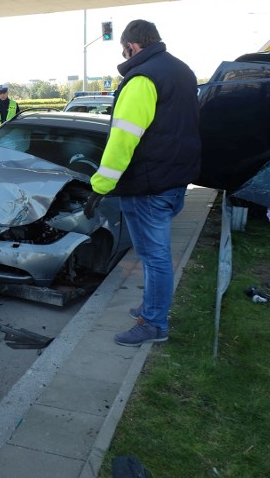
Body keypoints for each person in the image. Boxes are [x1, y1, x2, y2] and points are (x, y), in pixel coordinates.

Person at [85, 19, 201, 347]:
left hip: (148, 186)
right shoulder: (182, 71)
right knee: (154, 254)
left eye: (124, 50)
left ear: (132, 47)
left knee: (154, 256)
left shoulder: (141, 79)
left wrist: (100, 186)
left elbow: (123, 140)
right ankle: (151, 307)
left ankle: (153, 323)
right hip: (175, 180)